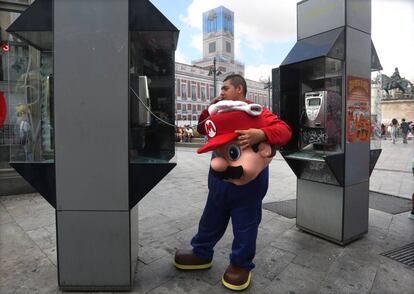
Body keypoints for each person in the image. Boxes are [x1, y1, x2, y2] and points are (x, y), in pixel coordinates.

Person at [174, 74, 292, 291]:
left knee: (245, 225)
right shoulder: (220, 110)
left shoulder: (259, 112)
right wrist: (209, 110)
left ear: (239, 89)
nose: (222, 92)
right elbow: (202, 129)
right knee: (211, 218)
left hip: (247, 185)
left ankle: (240, 264)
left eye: (226, 88)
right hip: (219, 183)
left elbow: (285, 131)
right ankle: (201, 252)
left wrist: (261, 133)